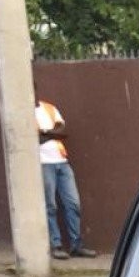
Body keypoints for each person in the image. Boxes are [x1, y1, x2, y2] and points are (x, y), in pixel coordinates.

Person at [35, 99, 97, 261]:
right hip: (43, 163)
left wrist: (44, 133)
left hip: (62, 161)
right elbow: (34, 138)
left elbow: (63, 131)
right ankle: (56, 245)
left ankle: (76, 245)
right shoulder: (23, 113)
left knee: (73, 203)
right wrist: (53, 133)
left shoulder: (48, 108)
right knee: (50, 205)